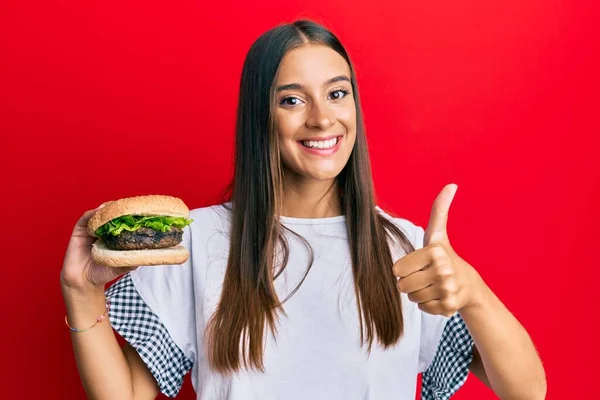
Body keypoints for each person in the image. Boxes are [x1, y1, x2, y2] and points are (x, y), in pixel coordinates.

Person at [60, 20, 546, 400]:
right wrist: (81, 293)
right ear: (260, 117)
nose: (322, 118)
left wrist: (474, 292)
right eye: (292, 100)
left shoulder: (408, 249)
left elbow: (526, 390)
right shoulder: (197, 240)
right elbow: (124, 392)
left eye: (337, 93)